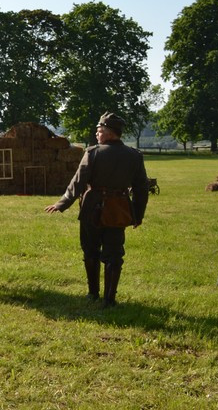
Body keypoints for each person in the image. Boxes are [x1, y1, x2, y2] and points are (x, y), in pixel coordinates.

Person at [44, 112, 148, 307]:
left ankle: (93, 293)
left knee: (90, 250)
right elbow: (141, 188)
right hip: (119, 210)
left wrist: (62, 203)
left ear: (109, 133)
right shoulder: (134, 155)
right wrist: (137, 215)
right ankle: (110, 299)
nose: (96, 134)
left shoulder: (93, 153)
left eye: (99, 131)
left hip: (92, 208)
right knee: (114, 254)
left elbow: (77, 182)